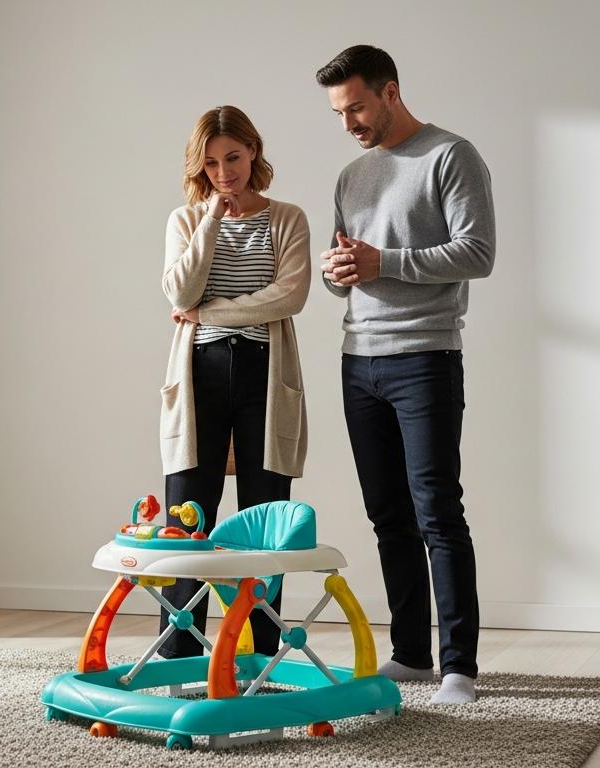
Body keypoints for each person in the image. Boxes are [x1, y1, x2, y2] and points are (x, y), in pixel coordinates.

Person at [314, 45, 496, 704]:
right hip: (357, 359)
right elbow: (349, 269)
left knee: (437, 512)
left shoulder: (451, 156)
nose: (348, 122)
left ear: (390, 91)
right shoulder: (351, 175)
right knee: (388, 516)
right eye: (339, 111)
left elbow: (477, 252)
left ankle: (459, 668)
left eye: (356, 106)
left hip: (425, 357)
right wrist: (341, 274)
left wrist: (381, 262)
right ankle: (411, 653)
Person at [156, 105, 312, 659]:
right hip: (198, 375)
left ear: (254, 153)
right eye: (213, 162)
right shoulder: (185, 219)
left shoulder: (287, 218)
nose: (225, 173)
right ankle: (178, 651)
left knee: (264, 514)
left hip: (264, 375)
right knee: (188, 516)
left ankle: (263, 649)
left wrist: (211, 314)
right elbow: (180, 294)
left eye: (235, 158)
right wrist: (212, 220)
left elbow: (289, 297)